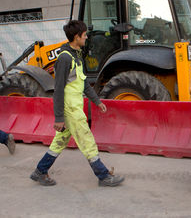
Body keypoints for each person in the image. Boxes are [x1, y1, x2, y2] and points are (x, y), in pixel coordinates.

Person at [30, 20, 125, 187]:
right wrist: (59, 117)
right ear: (76, 37)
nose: (86, 37)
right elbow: (58, 90)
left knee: (59, 142)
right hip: (70, 109)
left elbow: (83, 83)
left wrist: (97, 101)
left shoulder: (77, 54)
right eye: (84, 35)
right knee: (87, 140)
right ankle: (103, 176)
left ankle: (40, 171)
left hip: (74, 106)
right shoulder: (65, 59)